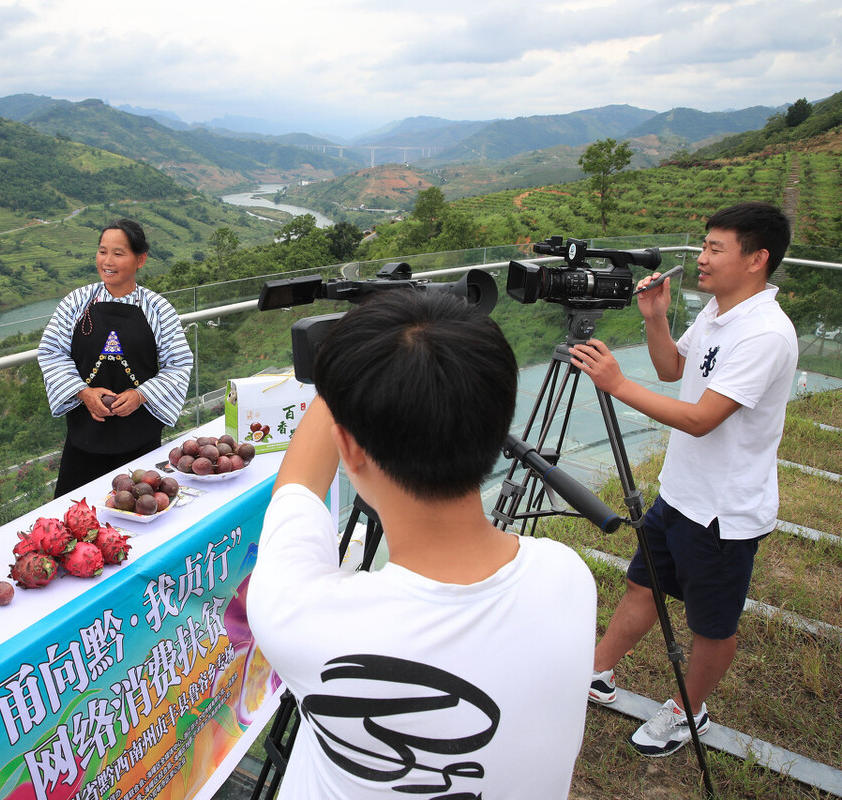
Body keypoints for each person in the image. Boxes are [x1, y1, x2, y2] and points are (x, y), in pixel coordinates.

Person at [247, 291, 597, 799]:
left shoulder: (299, 617)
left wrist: (357, 358)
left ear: (348, 446)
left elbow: (299, 484)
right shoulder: (566, 576)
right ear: (500, 420)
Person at [570, 201, 798, 757]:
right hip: (681, 493)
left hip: (723, 511)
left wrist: (616, 383)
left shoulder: (764, 333)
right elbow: (675, 369)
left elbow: (700, 419)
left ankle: (688, 710)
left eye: (715, 248)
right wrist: (654, 317)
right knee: (644, 585)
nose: (701, 258)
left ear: (756, 259)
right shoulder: (720, 314)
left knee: (711, 626)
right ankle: (597, 672)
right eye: (704, 245)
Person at [37, 219, 193, 497]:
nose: (107, 261)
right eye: (102, 251)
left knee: (140, 506)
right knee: (77, 513)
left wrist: (140, 395)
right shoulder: (76, 302)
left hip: (140, 435)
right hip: (84, 435)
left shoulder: (158, 309)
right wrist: (82, 392)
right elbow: (52, 353)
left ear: (140, 259)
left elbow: (178, 364)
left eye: (118, 253)